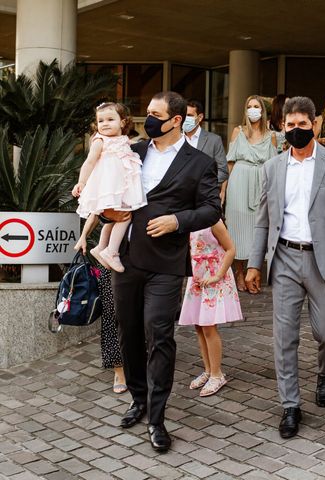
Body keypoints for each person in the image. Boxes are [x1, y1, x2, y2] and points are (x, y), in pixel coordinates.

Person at [245, 96, 325, 439]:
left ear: (314, 125)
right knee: (284, 337)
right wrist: (254, 264)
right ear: (282, 127)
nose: (297, 130)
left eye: (303, 124)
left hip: (324, 259)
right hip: (284, 257)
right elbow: (262, 221)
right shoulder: (272, 167)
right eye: (291, 125)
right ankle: (290, 405)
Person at [109, 91, 221, 453]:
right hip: (127, 260)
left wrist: (177, 220)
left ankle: (157, 418)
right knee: (128, 333)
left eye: (156, 114)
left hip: (166, 266)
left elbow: (210, 210)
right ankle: (138, 400)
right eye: (147, 112)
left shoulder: (200, 162)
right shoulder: (134, 152)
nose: (149, 119)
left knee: (159, 336)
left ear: (176, 120)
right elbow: (111, 193)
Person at [72, 102, 147, 273]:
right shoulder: (100, 140)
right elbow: (89, 162)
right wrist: (82, 182)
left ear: (123, 122)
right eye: (101, 121)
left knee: (117, 218)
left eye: (110, 119)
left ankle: (101, 248)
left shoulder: (124, 141)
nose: (104, 124)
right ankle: (111, 251)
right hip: (107, 187)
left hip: (120, 187)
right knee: (125, 216)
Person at [179, 219, 243, 396]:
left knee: (208, 326)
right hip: (198, 277)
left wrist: (218, 275)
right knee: (199, 325)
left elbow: (231, 250)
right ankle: (208, 370)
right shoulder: (190, 219)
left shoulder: (214, 221)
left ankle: (217, 374)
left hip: (214, 276)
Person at [226, 95, 277, 291]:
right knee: (238, 228)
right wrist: (223, 189)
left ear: (263, 111)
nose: (253, 110)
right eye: (249, 106)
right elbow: (230, 162)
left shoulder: (270, 135)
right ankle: (239, 272)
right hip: (239, 181)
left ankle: (255, 272)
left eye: (257, 106)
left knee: (259, 226)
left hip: (261, 183)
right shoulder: (238, 132)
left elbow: (273, 166)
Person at [74, 214, 127, 394]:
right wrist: (83, 236)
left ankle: (138, 360)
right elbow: (98, 210)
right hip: (109, 262)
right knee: (112, 315)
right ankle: (118, 370)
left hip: (139, 257)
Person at [184, 99, 229, 204]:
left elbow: (223, 171)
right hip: (179, 198)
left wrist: (203, 183)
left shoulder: (214, 140)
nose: (186, 118)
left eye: (189, 115)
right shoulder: (175, 139)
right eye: (184, 115)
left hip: (204, 197)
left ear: (200, 117)